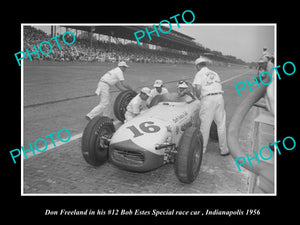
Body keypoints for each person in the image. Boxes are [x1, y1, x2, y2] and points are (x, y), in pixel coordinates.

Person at [193, 57, 229, 156]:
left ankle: (202, 149)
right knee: (221, 125)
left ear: (198, 66)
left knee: (205, 126)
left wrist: (199, 97)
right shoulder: (215, 73)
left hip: (208, 99)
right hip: (219, 98)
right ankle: (224, 149)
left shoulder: (199, 73)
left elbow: (197, 88)